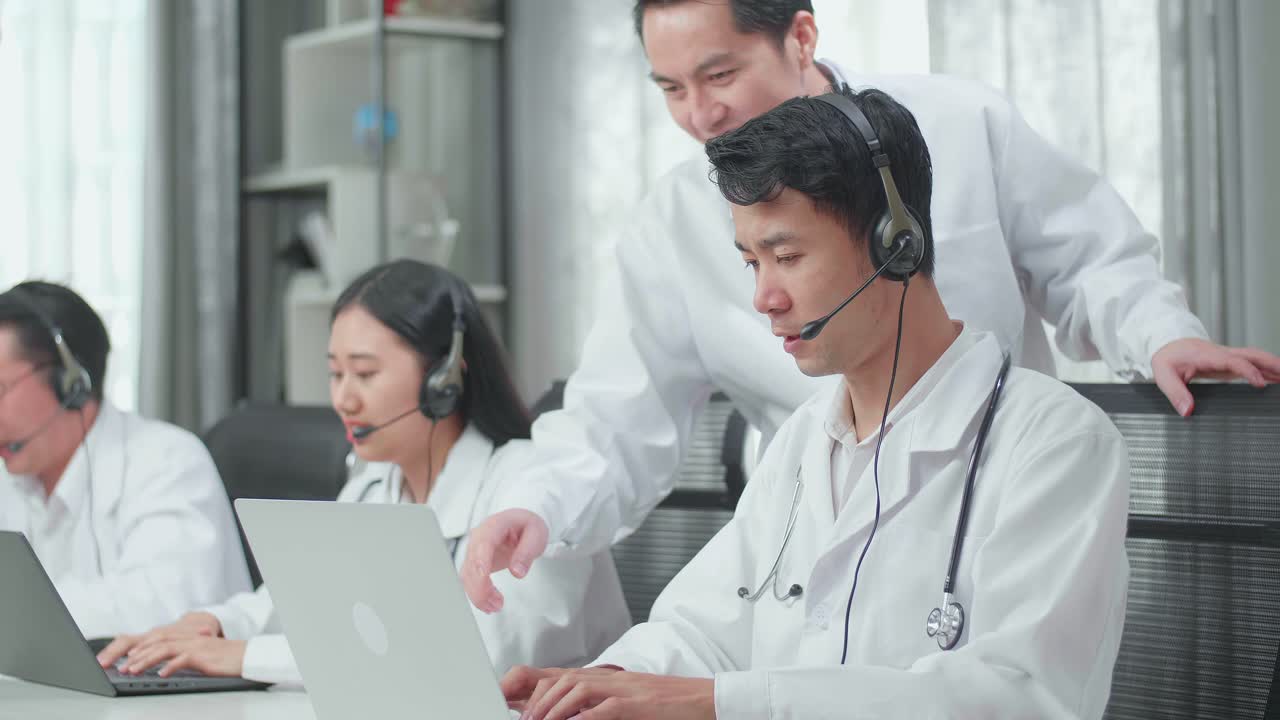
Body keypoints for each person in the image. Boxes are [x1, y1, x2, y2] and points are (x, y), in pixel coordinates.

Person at [459, 0, 1280, 612]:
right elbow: (612, 421)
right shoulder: (670, 222)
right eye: (670, 87)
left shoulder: (954, 120)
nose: (698, 116)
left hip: (993, 508)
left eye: (720, 74)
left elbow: (1088, 255)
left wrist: (1161, 333)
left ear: (802, 36)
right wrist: (535, 507)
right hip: (812, 534)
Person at [504, 86, 1129, 720]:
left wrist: (723, 704)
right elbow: (700, 632)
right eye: (752, 263)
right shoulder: (803, 444)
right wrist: (601, 685)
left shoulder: (1055, 444)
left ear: (897, 244)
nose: (764, 298)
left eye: (788, 256)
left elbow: (1019, 695)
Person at [96, 260, 631, 686]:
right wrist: (214, 625)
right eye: (335, 373)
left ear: (445, 379)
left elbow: (475, 659)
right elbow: (294, 602)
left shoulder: (533, 489)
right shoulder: (375, 485)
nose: (344, 399)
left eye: (365, 373)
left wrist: (242, 656)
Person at [0, 281, 250, 638]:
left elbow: (159, 608)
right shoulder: (13, 477)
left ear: (72, 382)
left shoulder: (168, 462)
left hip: (175, 693)